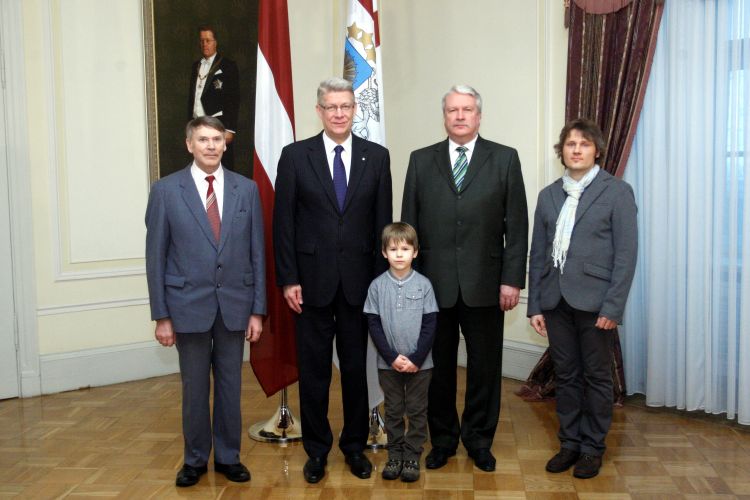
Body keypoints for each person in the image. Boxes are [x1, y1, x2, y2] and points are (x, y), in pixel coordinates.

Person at [401, 85, 528, 472]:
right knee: (437, 369)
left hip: (486, 284)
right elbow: (408, 227)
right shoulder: (421, 160)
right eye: (453, 110)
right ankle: (442, 440)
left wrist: (512, 280)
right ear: (444, 116)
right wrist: (409, 281)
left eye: (467, 109)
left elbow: (517, 226)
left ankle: (479, 440)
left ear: (479, 116)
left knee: (484, 368)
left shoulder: (505, 158)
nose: (459, 116)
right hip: (432, 286)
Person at [273, 77, 392, 483]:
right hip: (310, 284)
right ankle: (317, 450)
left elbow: (383, 224)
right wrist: (288, 278)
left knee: (357, 371)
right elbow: (283, 224)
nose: (339, 113)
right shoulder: (295, 156)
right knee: (314, 373)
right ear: (319, 111)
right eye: (331, 107)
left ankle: (354, 446)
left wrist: (381, 282)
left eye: (345, 106)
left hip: (361, 285)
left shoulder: (377, 157)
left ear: (355, 110)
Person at [145, 116, 265, 487]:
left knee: (230, 386)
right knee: (194, 388)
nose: (211, 146)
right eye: (203, 139)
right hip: (187, 307)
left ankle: (229, 457)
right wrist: (162, 315)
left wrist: (257, 310)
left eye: (217, 139)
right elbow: (155, 257)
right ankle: (194, 459)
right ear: (189, 145)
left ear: (225, 144)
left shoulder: (247, 190)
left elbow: (257, 253)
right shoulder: (166, 191)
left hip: (234, 306)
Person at [527, 118, 637, 479]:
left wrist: (613, 307)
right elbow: (538, 253)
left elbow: (626, 256)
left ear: (597, 151)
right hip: (555, 301)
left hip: (596, 303)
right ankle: (569, 443)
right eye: (570, 144)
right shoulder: (548, 195)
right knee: (567, 375)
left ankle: (592, 448)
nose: (577, 150)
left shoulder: (617, 192)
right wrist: (535, 305)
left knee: (596, 377)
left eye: (584, 144)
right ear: (562, 151)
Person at [364, 222, 438, 483]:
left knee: (417, 411)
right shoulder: (376, 286)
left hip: (421, 365)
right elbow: (374, 325)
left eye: (405, 249)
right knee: (394, 411)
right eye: (393, 249)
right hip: (388, 365)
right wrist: (391, 357)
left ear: (414, 252)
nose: (399, 254)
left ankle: (412, 456)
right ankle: (394, 455)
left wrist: (416, 359)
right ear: (384, 252)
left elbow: (430, 324)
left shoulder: (424, 285)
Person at [187, 25, 239, 169]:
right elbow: (192, 98)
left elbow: (233, 99)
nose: (205, 44)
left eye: (208, 40)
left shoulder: (227, 66)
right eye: (202, 41)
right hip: (197, 124)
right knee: (199, 167)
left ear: (215, 42)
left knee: (222, 167)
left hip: (218, 124)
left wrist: (230, 129)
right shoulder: (196, 66)